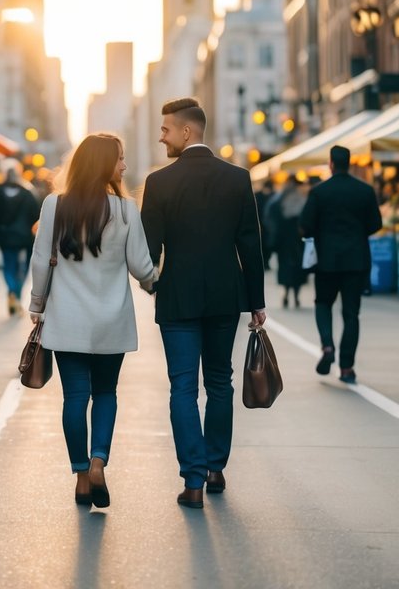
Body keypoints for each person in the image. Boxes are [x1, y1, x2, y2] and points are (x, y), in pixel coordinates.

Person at [140, 97, 266, 510]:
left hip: (178, 297)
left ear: (186, 131)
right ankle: (215, 468)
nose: (162, 138)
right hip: (225, 297)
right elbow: (251, 244)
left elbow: (148, 249)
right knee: (219, 382)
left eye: (165, 130)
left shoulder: (159, 183)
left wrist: (152, 283)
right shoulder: (237, 178)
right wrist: (257, 302)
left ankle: (192, 480)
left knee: (182, 387)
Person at [29, 133, 155, 510]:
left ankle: (82, 475)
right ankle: (99, 460)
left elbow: (40, 261)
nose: (124, 166)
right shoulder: (126, 210)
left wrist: (37, 304)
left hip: (67, 319)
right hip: (111, 319)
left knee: (74, 397)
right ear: (104, 164)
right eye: (120, 158)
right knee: (105, 394)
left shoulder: (54, 205)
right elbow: (141, 266)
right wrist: (156, 284)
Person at [299, 144, 382, 384]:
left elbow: (306, 223)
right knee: (351, 313)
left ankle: (327, 345)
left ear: (331, 163)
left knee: (323, 303)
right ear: (350, 163)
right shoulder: (365, 191)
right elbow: (375, 223)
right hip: (356, 259)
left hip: (326, 259)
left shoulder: (319, 192)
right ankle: (347, 368)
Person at [0, 161, 41, 315]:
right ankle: (16, 293)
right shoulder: (28, 191)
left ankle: (11, 290)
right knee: (23, 267)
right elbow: (36, 214)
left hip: (5, 236)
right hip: (25, 236)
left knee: (8, 265)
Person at [275, 175, 308, 309]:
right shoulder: (302, 199)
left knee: (285, 266)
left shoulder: (280, 198)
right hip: (298, 238)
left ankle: (287, 293)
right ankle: (295, 296)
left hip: (284, 239)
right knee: (298, 267)